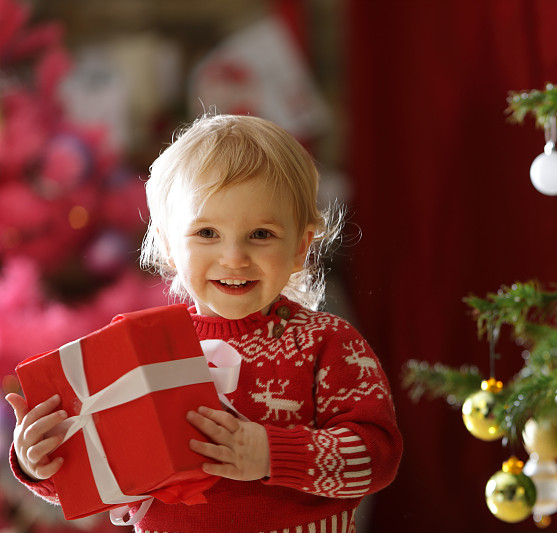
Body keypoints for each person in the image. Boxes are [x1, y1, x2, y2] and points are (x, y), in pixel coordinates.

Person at [6, 114, 402, 533]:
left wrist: (271, 454)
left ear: (300, 247)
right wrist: (40, 462)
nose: (234, 257)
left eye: (262, 234)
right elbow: (102, 471)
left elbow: (377, 457)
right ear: (169, 246)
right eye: (207, 232)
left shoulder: (327, 343)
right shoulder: (140, 353)